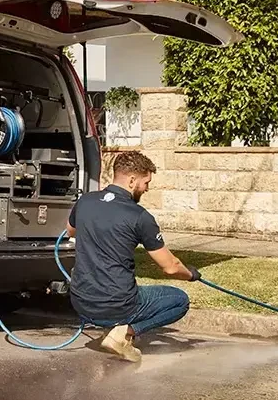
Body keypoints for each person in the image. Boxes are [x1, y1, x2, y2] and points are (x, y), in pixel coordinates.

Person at [66, 150, 201, 363]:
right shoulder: (140, 217)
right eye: (146, 182)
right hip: (116, 305)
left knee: (124, 291)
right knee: (179, 300)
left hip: (81, 302)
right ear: (131, 179)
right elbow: (170, 267)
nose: (147, 188)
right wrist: (191, 274)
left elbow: (70, 232)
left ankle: (115, 328)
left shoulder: (85, 202)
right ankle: (125, 332)